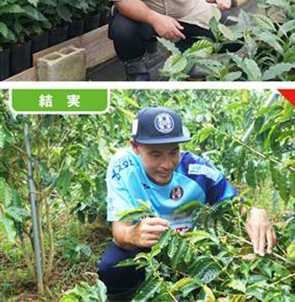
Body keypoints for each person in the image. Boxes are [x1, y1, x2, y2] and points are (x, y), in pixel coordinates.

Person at [96, 107, 276, 300]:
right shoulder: (123, 167)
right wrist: (133, 234)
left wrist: (253, 212)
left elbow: (236, 204)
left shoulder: (197, 170)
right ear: (135, 147)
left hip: (185, 247)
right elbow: (120, 231)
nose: (166, 164)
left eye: (174, 152)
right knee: (112, 267)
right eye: (155, 154)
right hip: (142, 245)